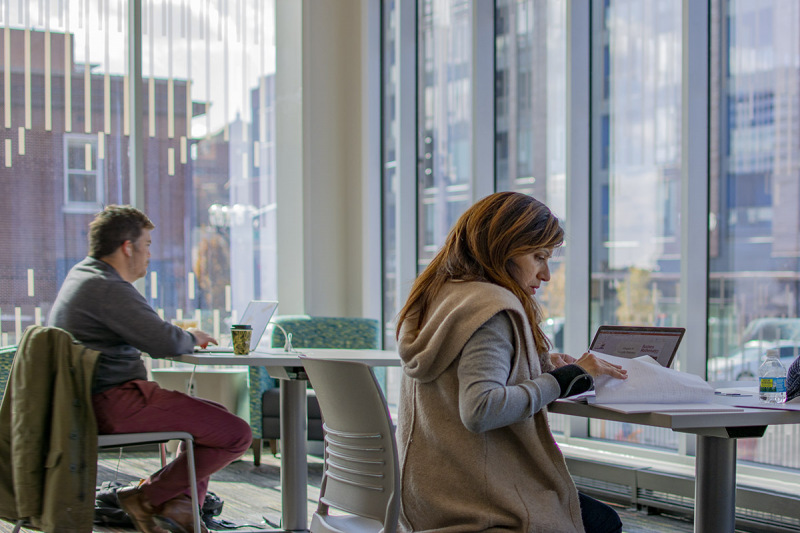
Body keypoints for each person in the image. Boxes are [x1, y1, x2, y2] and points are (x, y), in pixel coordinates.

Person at [395, 192, 628, 533]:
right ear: (504, 248)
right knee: (602, 522)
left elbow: (462, 370)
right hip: (475, 501)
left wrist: (538, 362)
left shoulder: (441, 294)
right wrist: (567, 378)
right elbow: (481, 409)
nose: (546, 274)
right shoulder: (492, 307)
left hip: (424, 493)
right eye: (539, 257)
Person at [48, 205, 252, 533]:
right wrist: (190, 337)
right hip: (115, 402)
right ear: (127, 247)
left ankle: (179, 510)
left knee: (211, 419)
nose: (149, 254)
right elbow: (163, 342)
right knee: (236, 434)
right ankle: (145, 498)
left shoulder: (84, 276)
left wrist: (178, 335)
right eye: (147, 245)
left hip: (91, 400)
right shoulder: (107, 286)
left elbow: (149, 331)